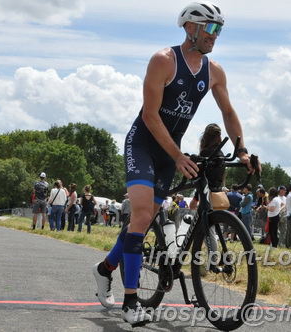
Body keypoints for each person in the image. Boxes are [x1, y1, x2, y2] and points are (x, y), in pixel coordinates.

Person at [92, 2, 256, 326]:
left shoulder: (214, 71)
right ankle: (130, 302)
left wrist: (243, 150)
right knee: (140, 215)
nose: (215, 35)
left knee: (142, 222)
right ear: (190, 28)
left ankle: (104, 269)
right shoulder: (163, 60)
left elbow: (228, 113)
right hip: (143, 144)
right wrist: (177, 155)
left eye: (219, 29)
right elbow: (150, 115)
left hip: (170, 153)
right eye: (210, 27)